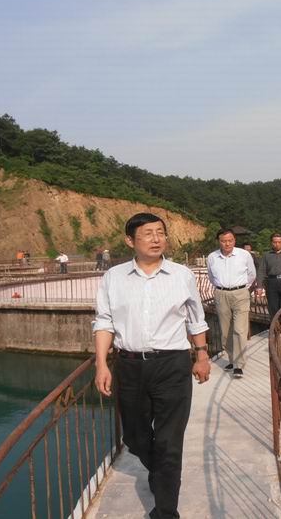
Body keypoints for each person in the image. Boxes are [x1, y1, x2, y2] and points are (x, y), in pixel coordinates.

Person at [93, 213, 210, 519]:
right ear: (130, 241)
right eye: (148, 233)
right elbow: (104, 322)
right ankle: (160, 472)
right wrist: (101, 364)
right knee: (135, 438)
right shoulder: (114, 277)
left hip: (172, 365)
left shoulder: (181, 275)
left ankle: (166, 510)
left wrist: (202, 356)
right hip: (129, 366)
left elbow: (195, 319)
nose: (156, 239)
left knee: (170, 443)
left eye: (160, 232)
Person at [207, 229, 256, 378]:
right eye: (223, 241)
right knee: (225, 330)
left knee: (240, 330)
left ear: (234, 240)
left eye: (230, 240)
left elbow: (252, 274)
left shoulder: (244, 255)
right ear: (219, 241)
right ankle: (231, 359)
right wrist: (222, 288)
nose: (227, 244)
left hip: (240, 293)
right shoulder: (212, 257)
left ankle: (238, 364)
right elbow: (211, 277)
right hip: (221, 294)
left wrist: (242, 288)